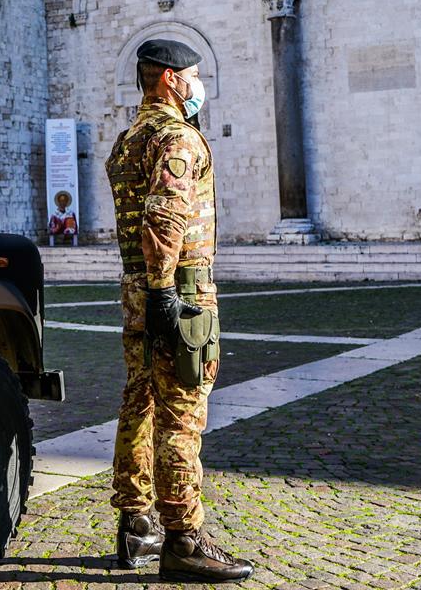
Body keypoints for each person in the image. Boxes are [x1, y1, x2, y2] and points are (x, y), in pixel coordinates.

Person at [104, 39, 253, 582]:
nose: (197, 85)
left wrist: (149, 290)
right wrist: (167, 292)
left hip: (136, 292)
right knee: (181, 416)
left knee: (139, 402)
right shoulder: (176, 138)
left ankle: (136, 524)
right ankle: (184, 539)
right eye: (191, 74)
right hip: (180, 294)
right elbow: (164, 218)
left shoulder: (127, 141)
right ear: (169, 78)